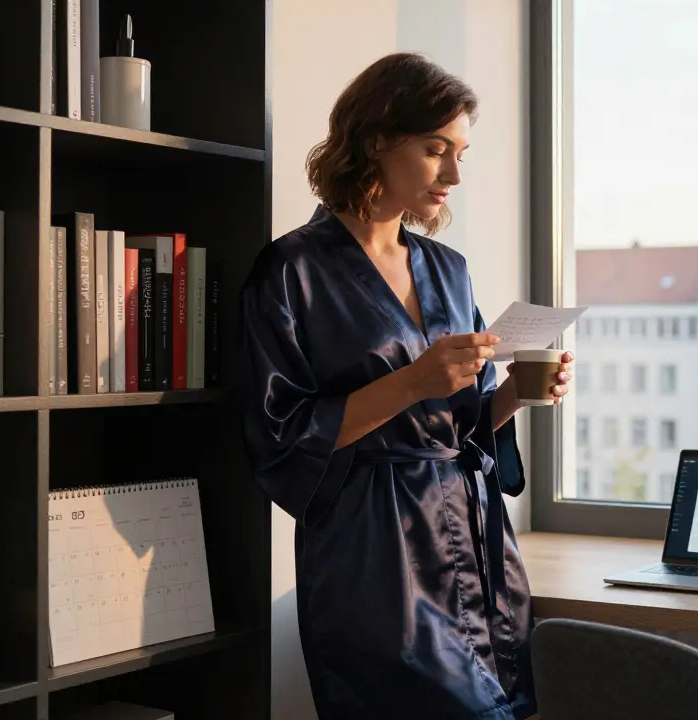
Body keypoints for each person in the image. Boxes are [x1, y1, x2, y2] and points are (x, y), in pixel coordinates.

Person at [236, 52, 570, 720]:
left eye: (460, 154)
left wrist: (514, 395)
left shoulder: (448, 268)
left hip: (473, 534)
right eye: (435, 149)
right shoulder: (292, 270)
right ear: (376, 140)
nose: (452, 173)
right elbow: (279, 437)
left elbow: (462, 423)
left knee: (505, 705)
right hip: (373, 551)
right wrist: (413, 382)